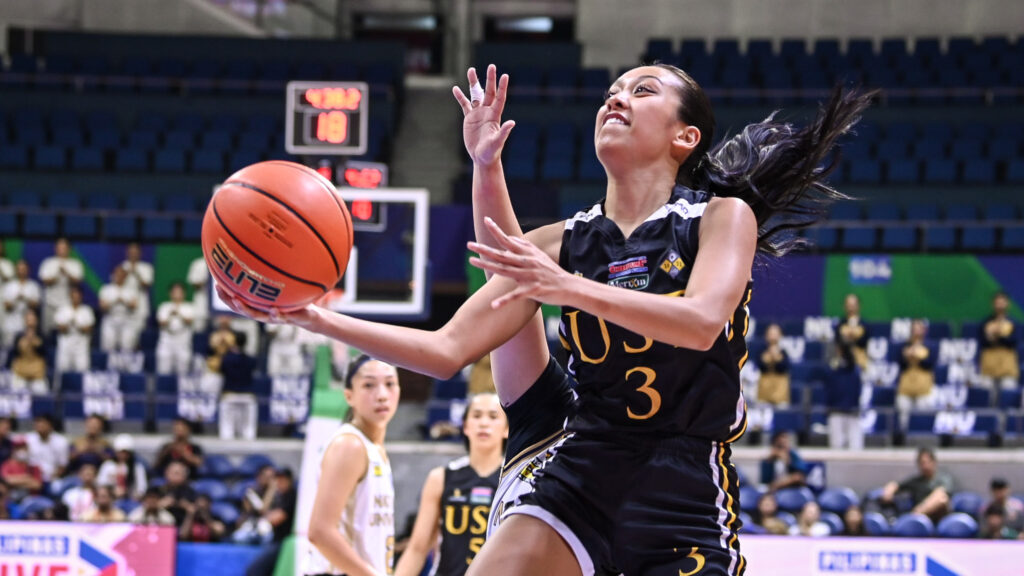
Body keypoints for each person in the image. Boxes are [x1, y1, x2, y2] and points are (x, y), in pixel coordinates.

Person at [221, 63, 871, 576]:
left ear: (685, 137)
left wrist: (572, 289)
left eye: (642, 91)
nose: (617, 99)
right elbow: (447, 349)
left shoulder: (720, 219)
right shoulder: (561, 242)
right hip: (582, 470)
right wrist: (313, 317)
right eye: (611, 92)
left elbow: (701, 320)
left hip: (682, 485)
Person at [304, 356, 400, 576]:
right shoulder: (349, 445)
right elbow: (320, 532)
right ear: (349, 395)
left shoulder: (374, 448)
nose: (382, 395)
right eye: (369, 385)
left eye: (390, 383)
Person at [396, 393, 508, 576]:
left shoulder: (515, 480)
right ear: (465, 426)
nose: (484, 423)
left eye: (493, 416)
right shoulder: (440, 478)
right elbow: (417, 548)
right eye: (476, 415)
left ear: (507, 429)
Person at [243, 468, 299, 576]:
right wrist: (271, 490)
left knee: (254, 571)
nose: (279, 482)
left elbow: (275, 519)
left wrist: (267, 516)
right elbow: (263, 510)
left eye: (282, 479)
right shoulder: (279, 496)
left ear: (289, 480)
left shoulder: (292, 496)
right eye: (277, 479)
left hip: (285, 542)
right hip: (275, 539)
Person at [825, 301, 865, 451]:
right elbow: (829, 389)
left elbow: (858, 391)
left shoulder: (855, 370)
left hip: (853, 412)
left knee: (855, 449)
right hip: (836, 412)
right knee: (836, 448)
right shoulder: (833, 369)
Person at [878, 447, 953, 523]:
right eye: (922, 463)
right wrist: (889, 491)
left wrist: (919, 510)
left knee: (941, 498)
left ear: (934, 462)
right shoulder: (916, 481)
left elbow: (942, 494)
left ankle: (914, 516)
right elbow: (896, 485)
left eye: (927, 462)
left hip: (940, 517)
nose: (925, 466)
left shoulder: (944, 478)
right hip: (922, 518)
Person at [38, 238, 84, 335]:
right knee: (47, 333)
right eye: (59, 247)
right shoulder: (48, 262)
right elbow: (44, 280)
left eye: (64, 247)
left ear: (69, 249)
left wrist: (66, 273)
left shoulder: (75, 264)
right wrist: (57, 275)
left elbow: (78, 281)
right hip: (50, 304)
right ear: (55, 248)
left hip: (67, 305)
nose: (62, 250)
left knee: (65, 333)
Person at [978, 292, 1019, 390]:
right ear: (993, 304)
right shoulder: (986, 322)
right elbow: (982, 342)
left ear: (1007, 304)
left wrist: (999, 334)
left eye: (1002, 303)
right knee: (988, 394)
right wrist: (991, 336)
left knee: (1008, 391)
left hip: (1007, 366)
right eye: (997, 303)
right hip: (989, 366)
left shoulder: (1013, 323)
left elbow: (1014, 342)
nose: (1000, 306)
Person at [896, 320, 937, 414]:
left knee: (922, 417)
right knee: (904, 417)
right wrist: (908, 356)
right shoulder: (904, 346)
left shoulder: (930, 346)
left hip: (924, 389)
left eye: (919, 329)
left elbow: (929, 364)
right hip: (906, 388)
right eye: (914, 329)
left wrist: (918, 355)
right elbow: (901, 365)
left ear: (924, 330)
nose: (916, 332)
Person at [156, 282, 196, 375]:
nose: (177, 294)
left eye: (179, 292)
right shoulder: (164, 306)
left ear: (184, 293)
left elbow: (189, 321)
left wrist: (178, 313)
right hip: (166, 342)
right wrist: (170, 314)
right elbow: (161, 323)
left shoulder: (189, 307)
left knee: (183, 374)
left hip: (183, 343)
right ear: (170, 293)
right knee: (163, 372)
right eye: (175, 292)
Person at [53, 286, 94, 374]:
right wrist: (69, 324)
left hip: (81, 346)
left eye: (77, 296)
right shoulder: (63, 309)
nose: (75, 298)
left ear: (81, 296)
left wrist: (77, 325)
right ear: (70, 296)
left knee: (82, 370)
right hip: (65, 344)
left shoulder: (86, 310)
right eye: (73, 296)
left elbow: (89, 329)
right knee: (62, 370)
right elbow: (60, 328)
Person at [98, 267, 140, 353]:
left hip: (126, 319)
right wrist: (114, 301)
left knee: (127, 346)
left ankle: (126, 361)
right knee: (108, 345)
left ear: (125, 277)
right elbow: (102, 306)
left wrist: (124, 301)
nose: (119, 277)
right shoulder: (106, 289)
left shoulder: (131, 290)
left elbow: (134, 305)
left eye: (121, 275)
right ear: (113, 276)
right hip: (110, 318)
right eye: (117, 275)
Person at [2, 259, 40, 349]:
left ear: (28, 270)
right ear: (16, 270)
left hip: (27, 327)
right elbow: (6, 306)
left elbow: (36, 305)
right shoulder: (9, 286)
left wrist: (25, 299)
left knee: (25, 350)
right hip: (10, 325)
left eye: (24, 269)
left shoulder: (33, 286)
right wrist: (16, 300)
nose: (22, 271)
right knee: (8, 349)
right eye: (20, 269)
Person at [97, 433, 148, 500]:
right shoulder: (108, 465)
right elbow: (101, 483)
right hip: (110, 499)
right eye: (121, 452)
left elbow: (142, 488)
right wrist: (112, 491)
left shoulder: (137, 467)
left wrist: (131, 494)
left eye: (126, 453)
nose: (123, 455)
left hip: (131, 499)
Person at [8, 310, 48, 394]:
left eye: (32, 320)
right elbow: (14, 354)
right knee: (15, 390)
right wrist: (22, 345)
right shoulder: (19, 336)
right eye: (28, 320)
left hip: (37, 375)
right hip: (21, 374)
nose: (30, 323)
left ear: (36, 321)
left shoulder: (42, 336)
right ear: (25, 321)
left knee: (42, 391)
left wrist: (36, 343)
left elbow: (45, 353)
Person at [24, 413, 68, 483]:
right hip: (31, 477)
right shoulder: (27, 439)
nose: (40, 426)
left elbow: (62, 465)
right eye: (37, 424)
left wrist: (52, 478)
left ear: (51, 426)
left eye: (43, 424)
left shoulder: (61, 442)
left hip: (52, 478)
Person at [119, 242, 153, 331]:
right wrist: (127, 273)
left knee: (139, 334)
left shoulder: (146, 267)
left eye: (135, 252)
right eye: (131, 252)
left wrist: (136, 272)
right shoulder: (122, 266)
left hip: (141, 306)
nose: (133, 254)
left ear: (140, 253)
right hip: (125, 306)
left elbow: (147, 285)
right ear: (127, 252)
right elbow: (117, 283)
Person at [755, 323, 790, 407]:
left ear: (780, 335)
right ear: (766, 336)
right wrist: (767, 358)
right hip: (764, 391)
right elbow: (759, 366)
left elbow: (785, 367)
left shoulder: (784, 352)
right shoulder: (761, 351)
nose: (773, 337)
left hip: (780, 391)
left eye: (775, 334)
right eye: (771, 334)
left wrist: (776, 358)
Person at [160, 460, 198, 526]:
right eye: (171, 472)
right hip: (162, 525)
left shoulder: (190, 492)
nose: (173, 476)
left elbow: (195, 509)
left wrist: (185, 505)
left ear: (184, 476)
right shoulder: (158, 490)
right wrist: (160, 504)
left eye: (177, 473)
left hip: (182, 524)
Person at [837, 294, 869, 369]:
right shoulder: (840, 324)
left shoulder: (864, 324)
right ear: (844, 306)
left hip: (860, 362)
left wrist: (851, 334)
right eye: (849, 305)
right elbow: (838, 342)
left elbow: (864, 342)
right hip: (844, 360)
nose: (851, 308)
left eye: (853, 305)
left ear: (858, 306)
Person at [188, 256, 211, 332]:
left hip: (218, 303)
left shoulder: (222, 261)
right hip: (201, 302)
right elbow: (194, 283)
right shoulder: (198, 263)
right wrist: (208, 282)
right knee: (199, 330)